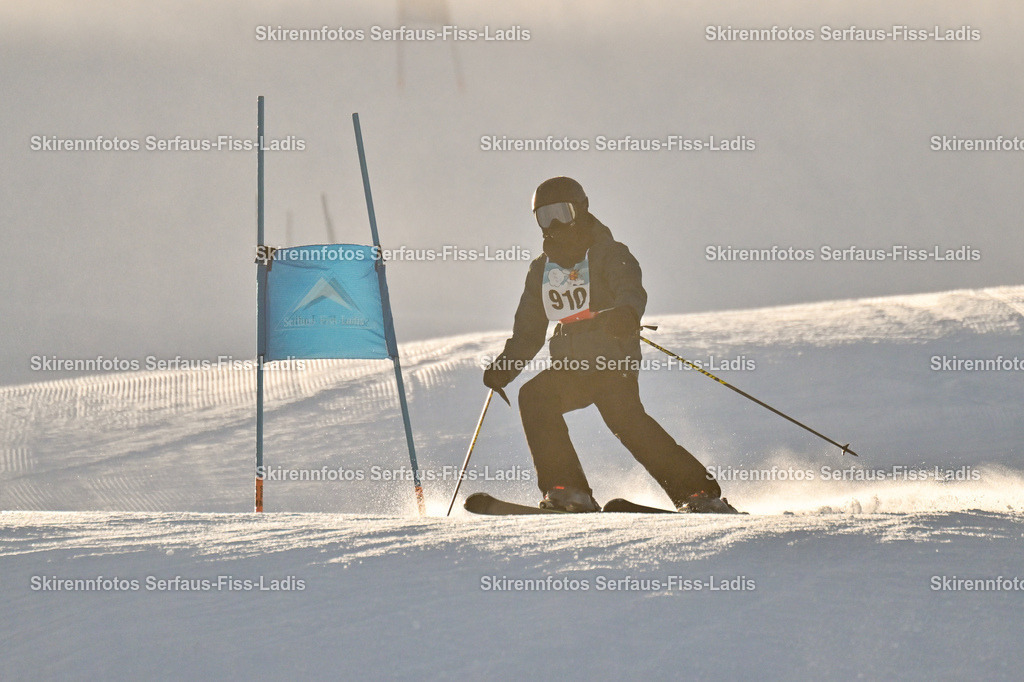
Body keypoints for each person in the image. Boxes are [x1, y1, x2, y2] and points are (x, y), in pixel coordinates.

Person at [483, 177, 737, 513]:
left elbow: (630, 288)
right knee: (535, 396)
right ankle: (568, 490)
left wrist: (626, 314)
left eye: (562, 212)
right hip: (571, 367)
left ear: (582, 209)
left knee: (625, 419)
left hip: (610, 362)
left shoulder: (608, 253)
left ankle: (698, 493)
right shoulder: (542, 270)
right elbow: (529, 331)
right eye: (546, 217)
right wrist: (506, 366)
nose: (555, 223)